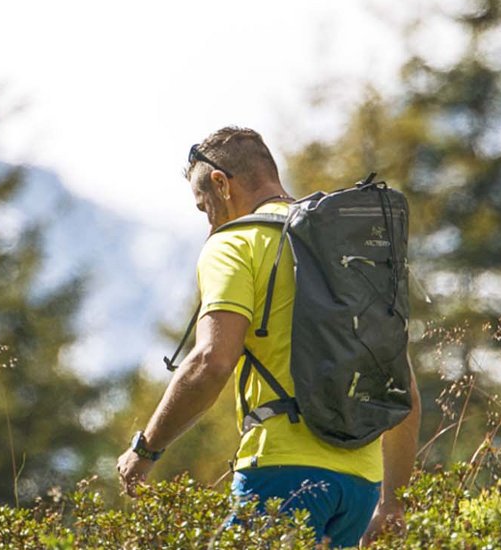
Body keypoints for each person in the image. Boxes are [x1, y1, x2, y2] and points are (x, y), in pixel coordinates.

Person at [116, 126, 420, 547]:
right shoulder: (337, 248)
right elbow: (403, 387)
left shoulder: (234, 245)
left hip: (281, 471)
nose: (207, 225)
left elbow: (211, 362)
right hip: (361, 483)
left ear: (221, 184)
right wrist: (392, 503)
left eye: (204, 207)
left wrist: (145, 451)